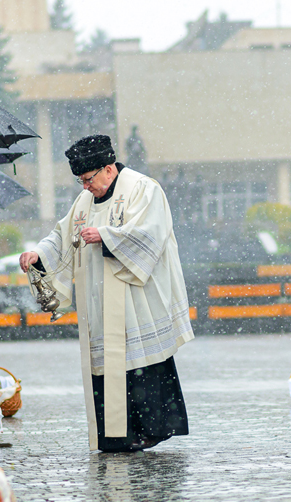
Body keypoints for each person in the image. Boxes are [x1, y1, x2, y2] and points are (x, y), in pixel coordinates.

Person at [20, 135, 192, 452]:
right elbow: (61, 236)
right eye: (81, 181)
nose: (85, 187)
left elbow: (151, 235)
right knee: (107, 367)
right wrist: (39, 255)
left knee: (140, 365)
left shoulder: (143, 188)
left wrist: (107, 235)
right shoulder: (84, 202)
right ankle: (117, 435)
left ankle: (151, 429)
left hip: (135, 299)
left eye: (88, 179)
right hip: (99, 302)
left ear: (108, 169)